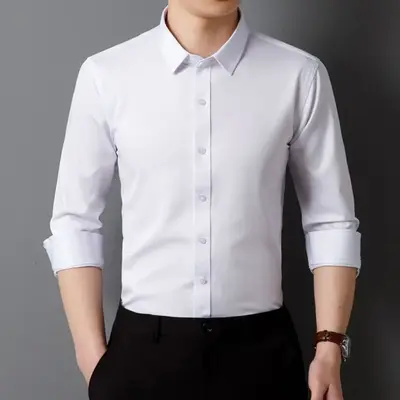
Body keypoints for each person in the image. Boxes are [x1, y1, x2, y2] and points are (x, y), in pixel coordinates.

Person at [42, 1, 361, 399]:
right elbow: (74, 221)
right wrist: (92, 358)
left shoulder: (298, 74)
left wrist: (329, 347)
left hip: (261, 356)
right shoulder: (107, 75)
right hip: (140, 356)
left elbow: (331, 221)